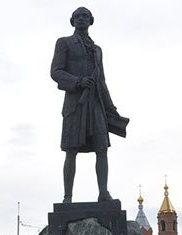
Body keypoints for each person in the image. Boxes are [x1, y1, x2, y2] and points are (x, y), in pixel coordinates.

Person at [51, 6, 128, 203]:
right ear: (72, 21)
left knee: (102, 148)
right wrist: (78, 81)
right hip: (75, 104)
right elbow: (56, 71)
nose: (81, 19)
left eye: (85, 16)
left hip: (96, 104)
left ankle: (103, 193)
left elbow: (102, 81)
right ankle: (67, 197)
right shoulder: (64, 43)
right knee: (71, 150)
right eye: (77, 16)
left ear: (91, 20)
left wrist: (112, 110)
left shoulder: (97, 50)